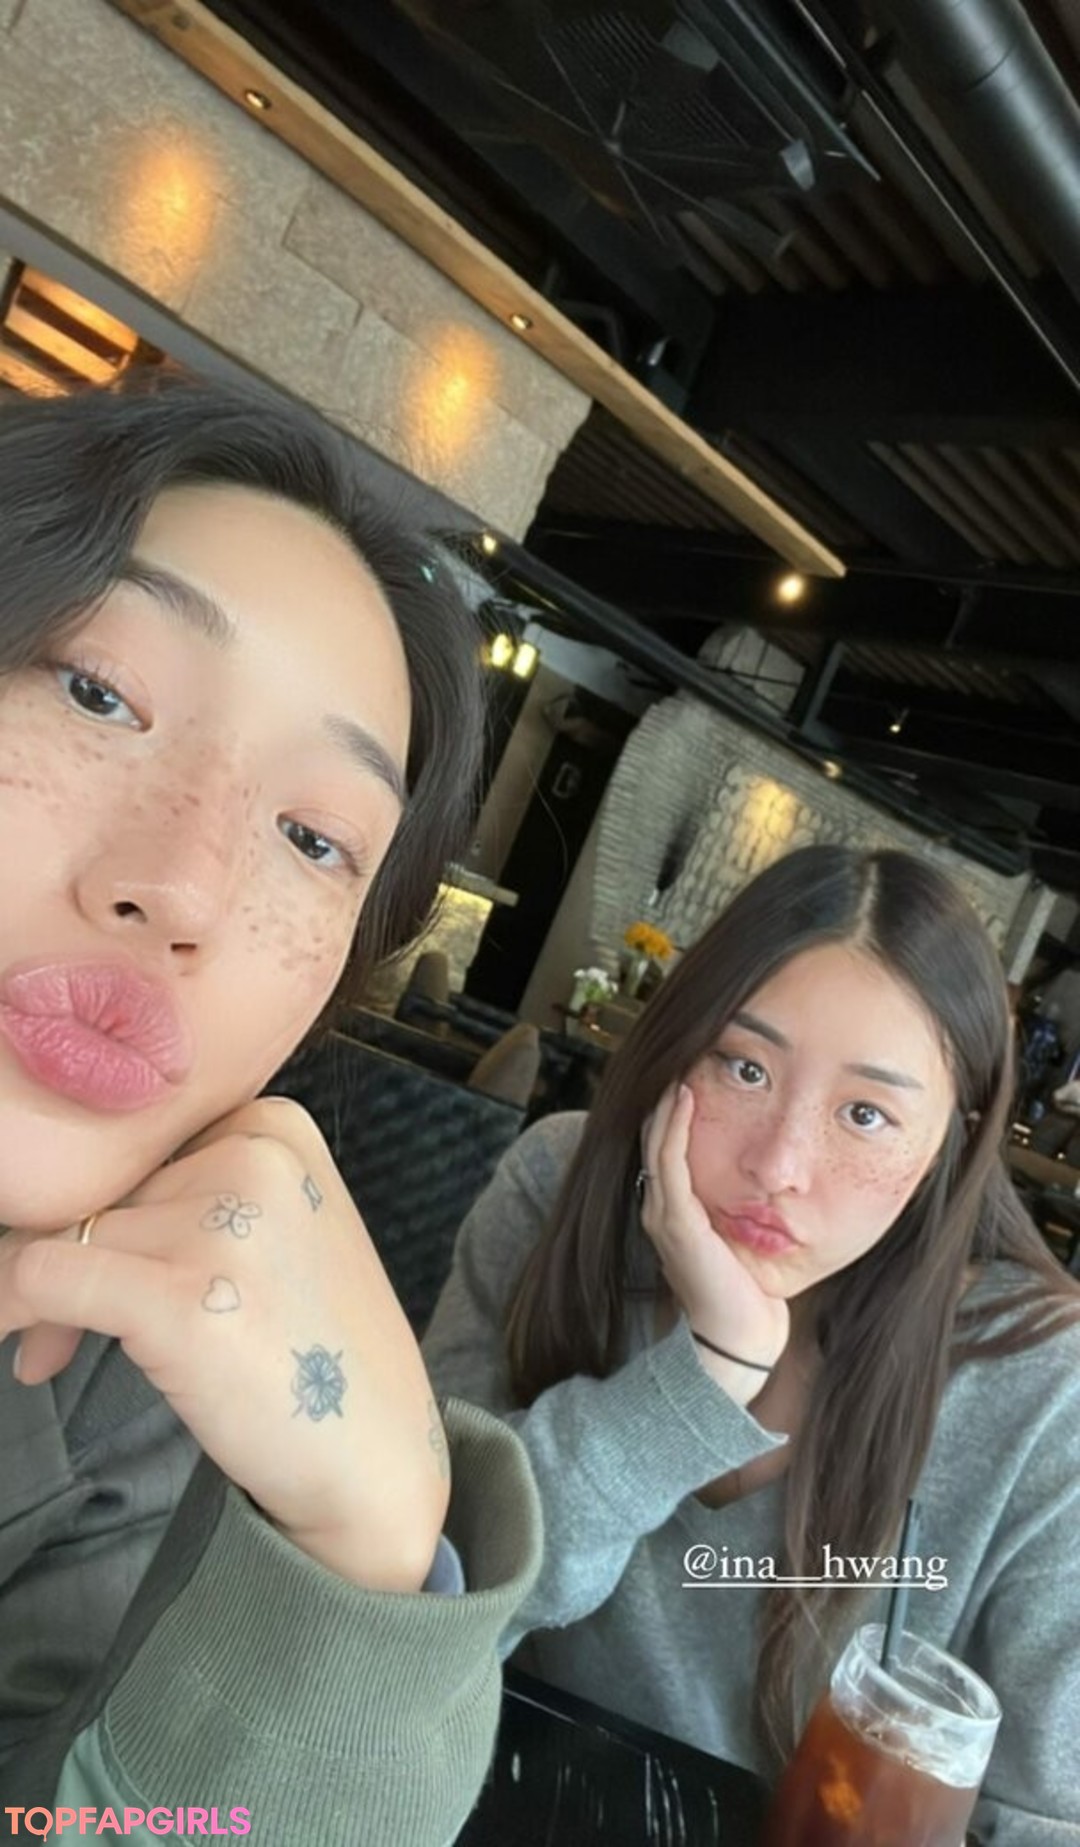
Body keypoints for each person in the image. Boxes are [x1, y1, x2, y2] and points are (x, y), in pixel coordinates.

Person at [0, 372, 540, 1840]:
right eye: (99, 692)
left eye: (314, 836)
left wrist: (365, 1566)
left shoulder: (138, 1382)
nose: (184, 887)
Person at [423, 845, 1080, 1845]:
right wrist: (703, 1374)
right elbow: (418, 1600)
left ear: (955, 1135)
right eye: (745, 1066)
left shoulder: (1041, 1391)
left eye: (866, 1114)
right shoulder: (559, 1194)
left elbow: (1046, 1819)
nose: (779, 1164)